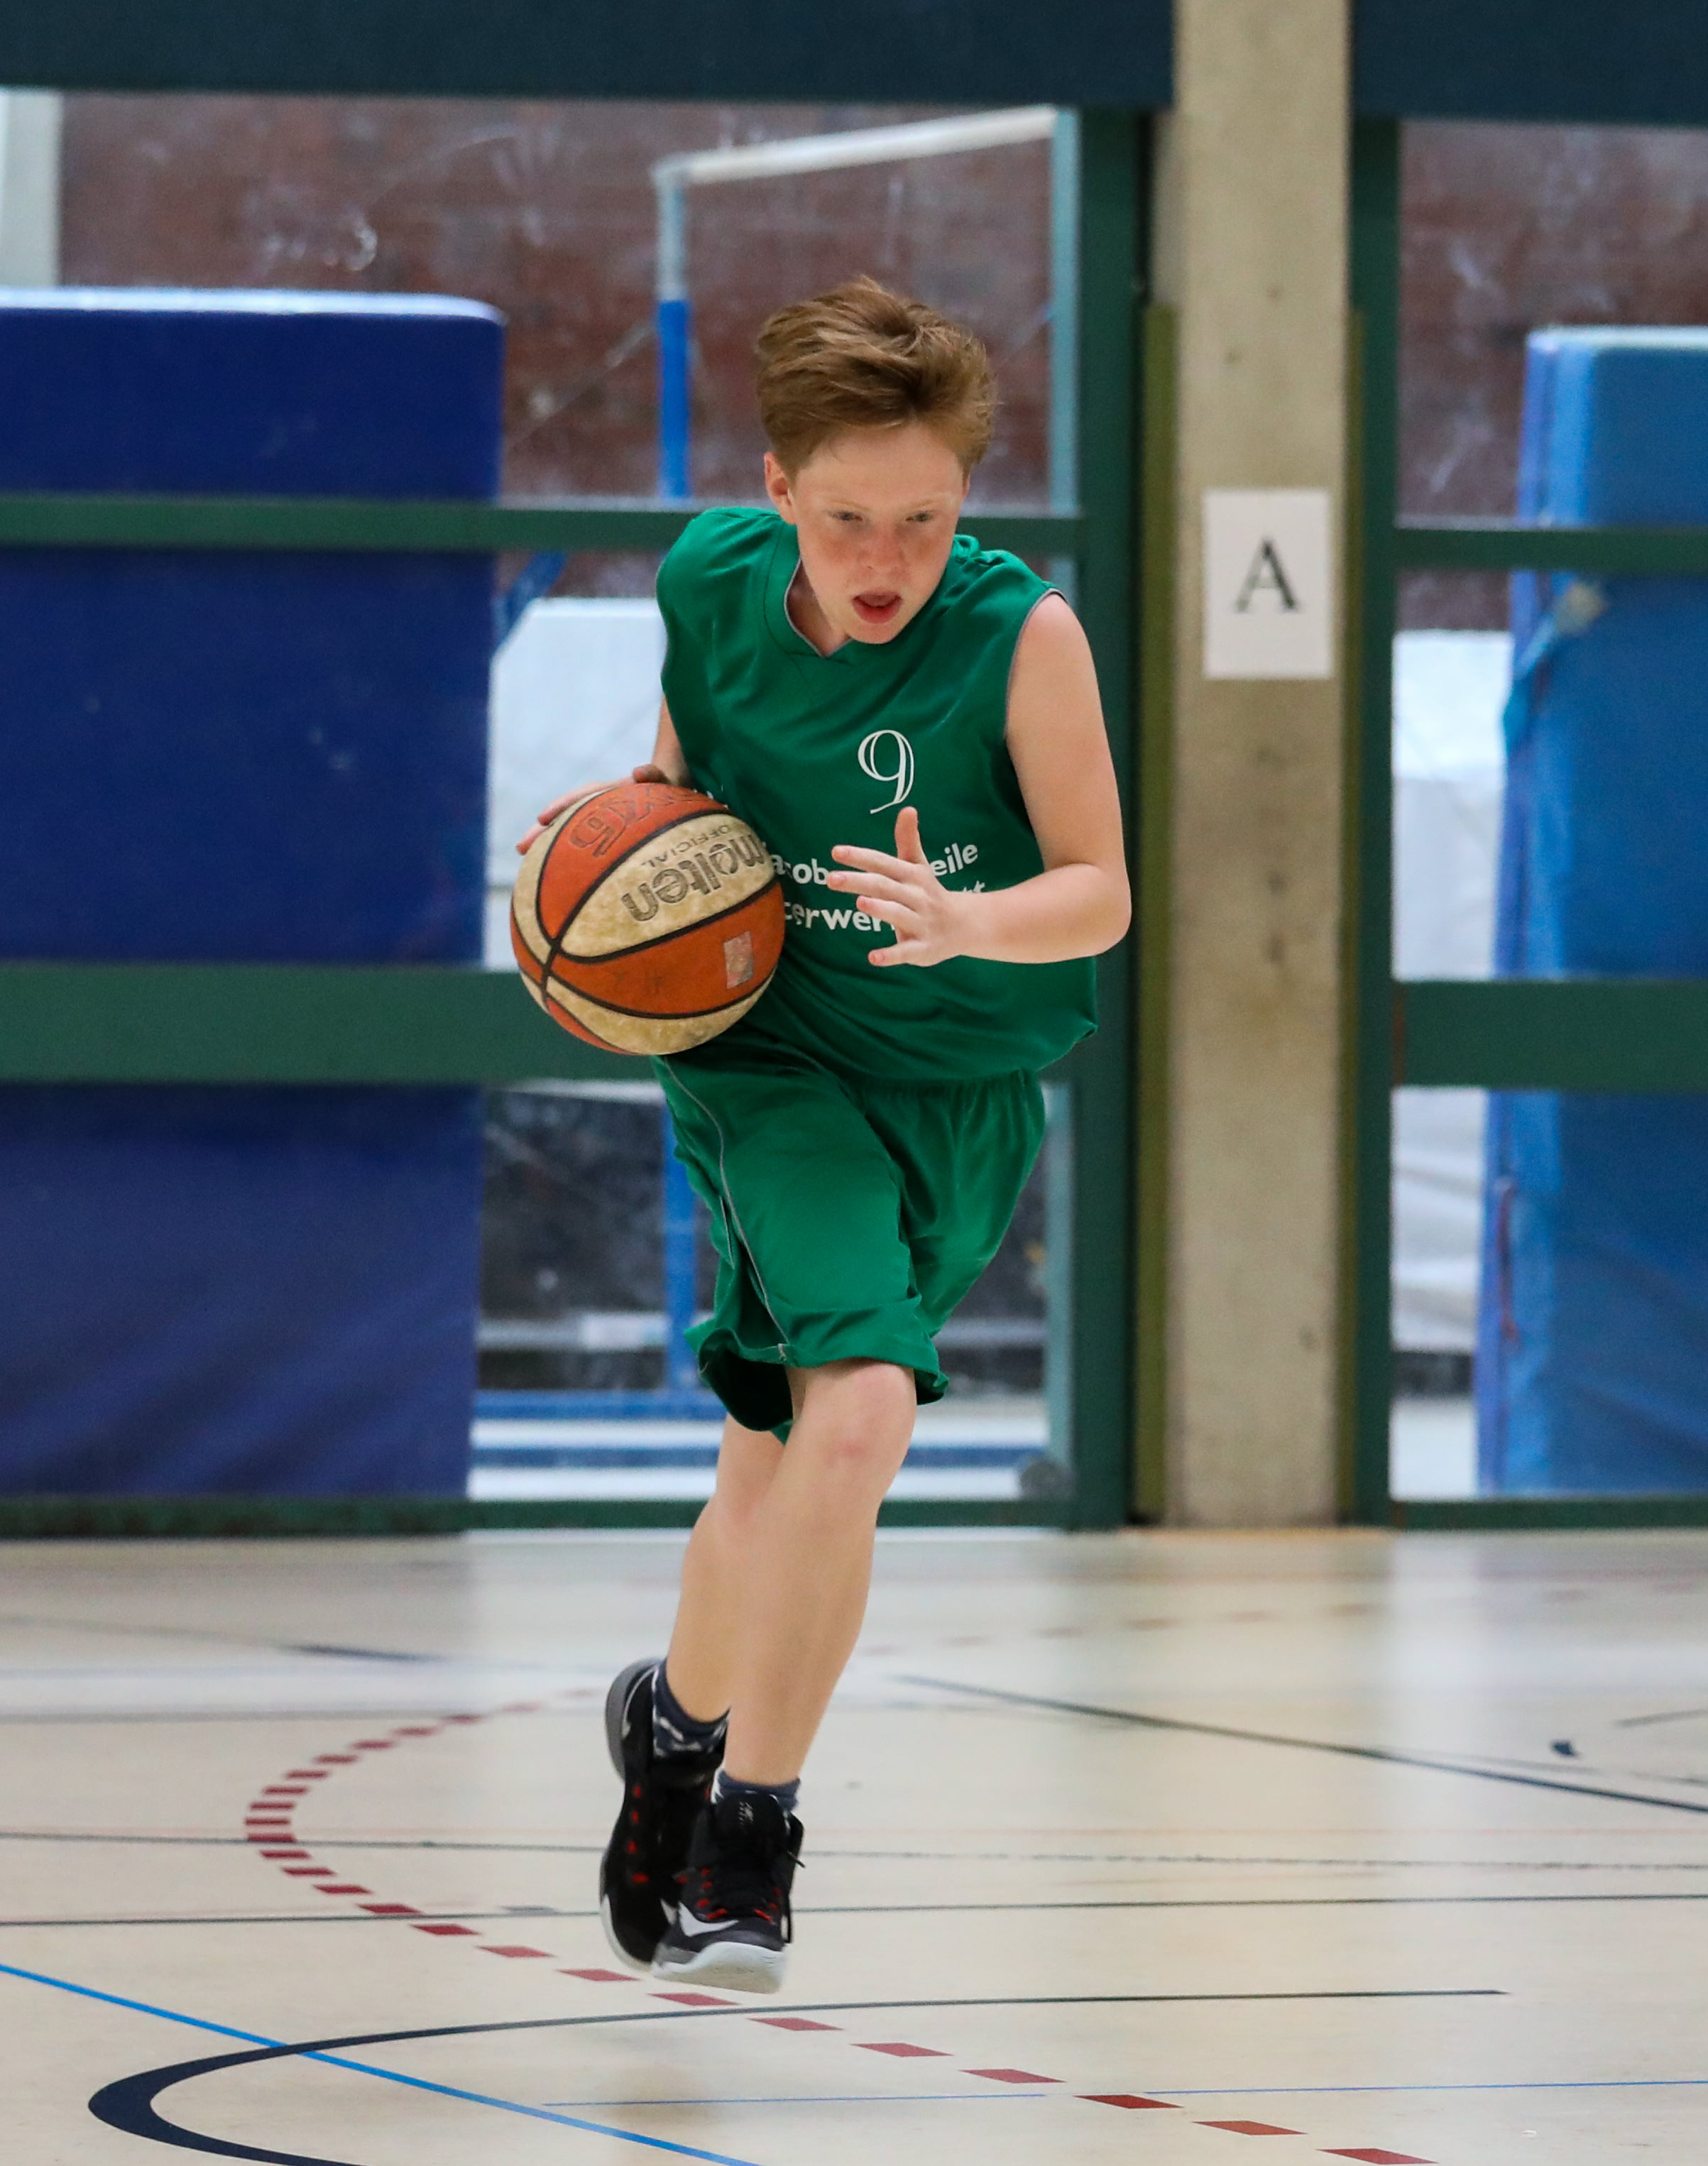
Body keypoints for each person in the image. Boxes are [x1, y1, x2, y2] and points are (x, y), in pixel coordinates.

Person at [518, 278, 1130, 1992]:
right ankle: (752, 1836)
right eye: (850, 517)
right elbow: (681, 804)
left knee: (775, 1462)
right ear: (778, 487)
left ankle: (672, 1726)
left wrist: (969, 919)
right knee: (857, 1414)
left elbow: (1101, 890)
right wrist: (602, 863)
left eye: (925, 519)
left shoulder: (1024, 638)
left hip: (959, 1086)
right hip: (772, 1063)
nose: (886, 558)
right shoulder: (710, 585)